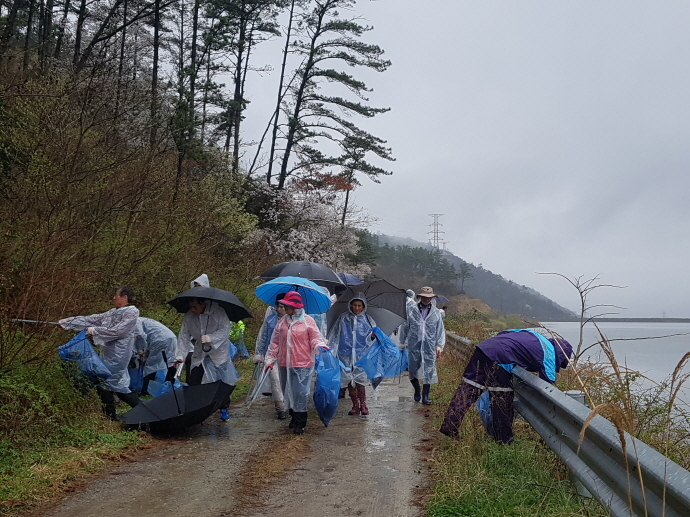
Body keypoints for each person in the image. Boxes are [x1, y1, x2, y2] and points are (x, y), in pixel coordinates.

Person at [439, 329, 573, 444]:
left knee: (467, 390)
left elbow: (503, 333)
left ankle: (449, 426)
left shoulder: (534, 335)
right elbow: (548, 385)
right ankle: (503, 439)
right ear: (561, 356)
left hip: (484, 348)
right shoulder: (549, 353)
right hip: (501, 359)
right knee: (502, 400)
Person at [59, 286, 141, 420]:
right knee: (112, 384)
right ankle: (121, 413)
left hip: (119, 355)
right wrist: (67, 322)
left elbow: (119, 331)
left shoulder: (131, 312)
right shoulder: (113, 312)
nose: (113, 298)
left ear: (125, 297)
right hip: (108, 353)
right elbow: (91, 319)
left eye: (116, 295)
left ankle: (115, 414)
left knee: (107, 381)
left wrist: (95, 331)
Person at [264, 291, 328, 434]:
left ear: (294, 307)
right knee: (287, 391)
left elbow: (315, 338)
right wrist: (270, 358)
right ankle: (293, 416)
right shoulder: (282, 322)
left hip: (302, 363)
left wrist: (319, 346)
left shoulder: (308, 321)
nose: (284, 308)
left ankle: (301, 421)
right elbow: (275, 342)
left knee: (300, 393)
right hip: (284, 363)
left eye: (286, 305)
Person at [175, 297, 237, 421]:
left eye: (195, 307)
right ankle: (194, 409)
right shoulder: (189, 316)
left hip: (218, 351)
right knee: (195, 379)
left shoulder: (218, 312)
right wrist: (180, 355)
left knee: (221, 382)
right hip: (200, 351)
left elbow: (225, 330)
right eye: (191, 307)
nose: (192, 310)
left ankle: (223, 408)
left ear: (203, 304)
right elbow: (184, 336)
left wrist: (211, 338)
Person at [327, 296, 376, 416]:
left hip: (361, 355)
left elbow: (372, 338)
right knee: (349, 379)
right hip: (345, 354)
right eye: (355, 305)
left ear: (363, 307)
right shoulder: (343, 318)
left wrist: (372, 336)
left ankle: (363, 405)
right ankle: (355, 405)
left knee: (360, 379)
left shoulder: (368, 320)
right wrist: (332, 350)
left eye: (359, 306)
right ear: (351, 305)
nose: (357, 308)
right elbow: (335, 335)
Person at [400, 286, 445, 405]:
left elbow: (440, 330)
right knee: (412, 369)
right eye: (424, 297)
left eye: (429, 297)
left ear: (432, 298)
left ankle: (425, 395)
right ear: (420, 297)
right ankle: (417, 389)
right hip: (414, 345)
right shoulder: (411, 310)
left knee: (428, 370)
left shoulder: (436, 313)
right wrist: (402, 342)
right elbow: (405, 326)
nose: (426, 299)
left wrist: (439, 345)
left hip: (429, 346)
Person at [254, 293, 287, 419]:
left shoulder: (293, 322)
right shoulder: (270, 320)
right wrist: (259, 353)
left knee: (287, 381)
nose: (279, 309)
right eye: (278, 306)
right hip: (272, 356)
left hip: (288, 356)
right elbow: (263, 337)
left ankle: (289, 404)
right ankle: (280, 408)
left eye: (282, 307)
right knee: (275, 381)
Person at [133, 317, 178, 395]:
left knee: (151, 366)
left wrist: (139, 349)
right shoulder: (141, 320)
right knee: (170, 362)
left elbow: (140, 335)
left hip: (159, 339)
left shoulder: (134, 321)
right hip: (171, 337)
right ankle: (170, 385)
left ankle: (145, 390)